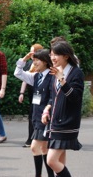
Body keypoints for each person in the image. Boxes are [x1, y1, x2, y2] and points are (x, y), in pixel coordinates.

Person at [42, 41, 84, 177]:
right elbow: (54, 97)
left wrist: (62, 80)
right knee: (59, 161)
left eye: (56, 55)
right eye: (51, 55)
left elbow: (75, 98)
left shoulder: (76, 73)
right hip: (55, 122)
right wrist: (47, 109)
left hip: (67, 122)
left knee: (51, 161)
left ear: (66, 56)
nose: (52, 58)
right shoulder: (56, 71)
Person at [14, 49, 54, 177]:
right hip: (36, 116)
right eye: (34, 60)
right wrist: (24, 59)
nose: (34, 63)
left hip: (46, 117)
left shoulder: (52, 76)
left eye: (37, 60)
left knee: (34, 147)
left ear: (45, 62)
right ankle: (50, 175)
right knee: (43, 148)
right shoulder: (35, 76)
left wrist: (48, 110)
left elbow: (54, 97)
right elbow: (18, 73)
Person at [18, 43, 43, 147]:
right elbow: (25, 79)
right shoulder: (29, 64)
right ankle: (30, 138)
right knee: (32, 115)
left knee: (36, 114)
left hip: (38, 93)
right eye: (30, 51)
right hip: (31, 93)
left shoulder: (41, 64)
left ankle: (37, 138)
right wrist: (21, 93)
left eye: (34, 51)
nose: (31, 54)